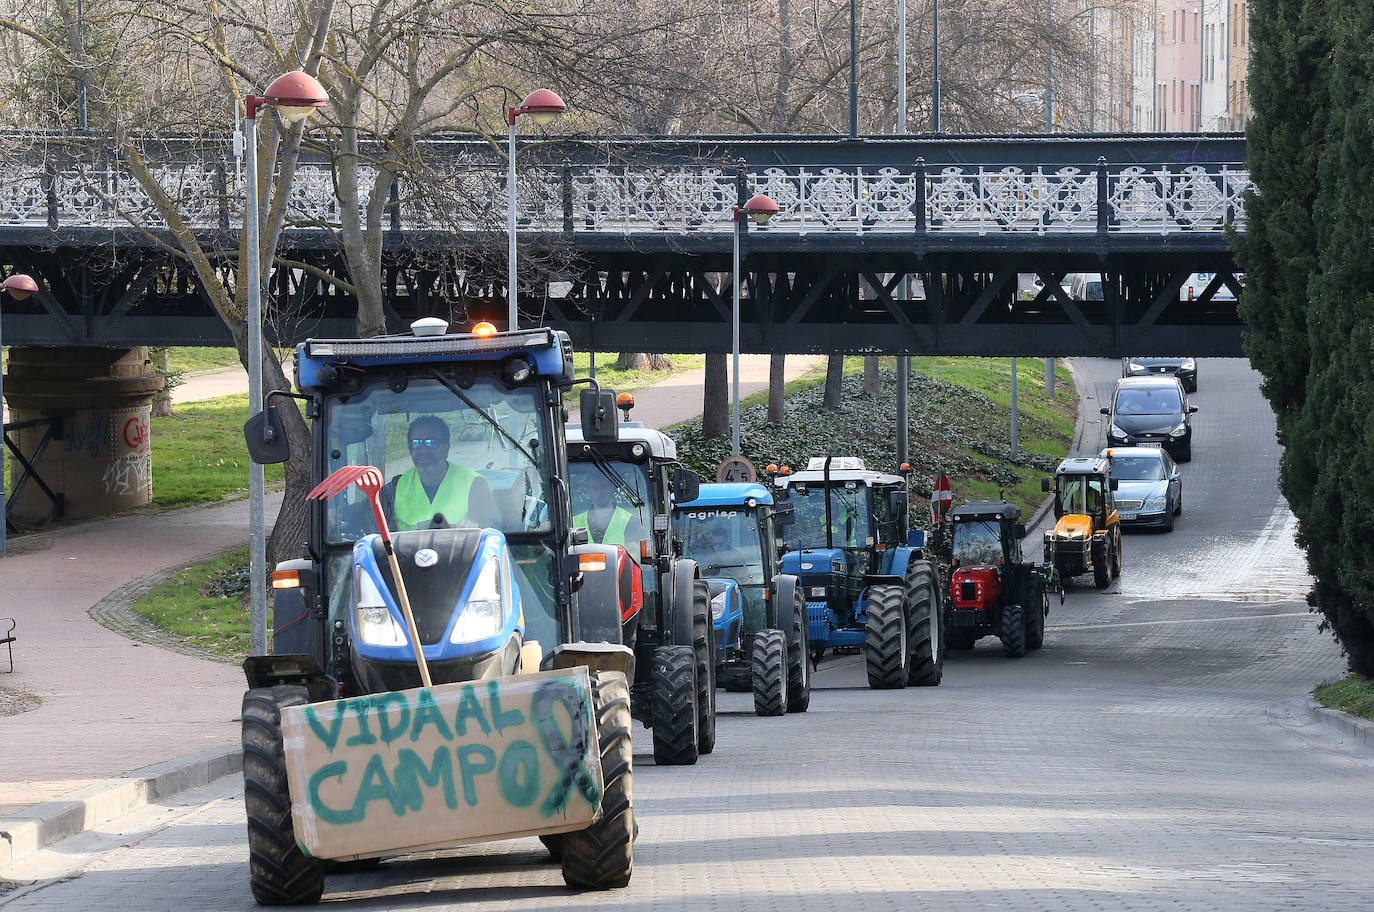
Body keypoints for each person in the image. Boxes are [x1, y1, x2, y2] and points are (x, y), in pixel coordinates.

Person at [380, 415, 498, 531]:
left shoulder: (475, 485)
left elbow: (491, 534)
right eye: (417, 443)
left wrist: (474, 527)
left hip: (464, 550)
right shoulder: (393, 490)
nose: (424, 449)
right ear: (410, 449)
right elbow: (378, 537)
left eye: (432, 443)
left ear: (446, 448)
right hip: (406, 551)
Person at [572, 470, 645, 548]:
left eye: (604, 487)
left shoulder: (629, 521)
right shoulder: (574, 523)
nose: (599, 492)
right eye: (594, 488)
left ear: (611, 489)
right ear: (589, 491)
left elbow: (633, 553)